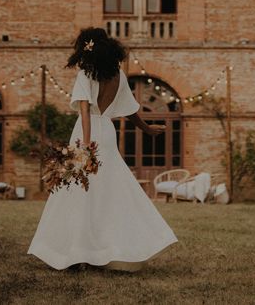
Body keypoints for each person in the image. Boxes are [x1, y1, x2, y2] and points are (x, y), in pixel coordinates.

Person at [28, 27, 178, 271]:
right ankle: (102, 251)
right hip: (107, 132)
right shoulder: (119, 75)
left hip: (87, 133)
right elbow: (130, 110)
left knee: (80, 193)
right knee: (107, 191)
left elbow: (85, 110)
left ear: (86, 48)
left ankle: (78, 254)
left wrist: (86, 145)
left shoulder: (85, 73)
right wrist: (147, 129)